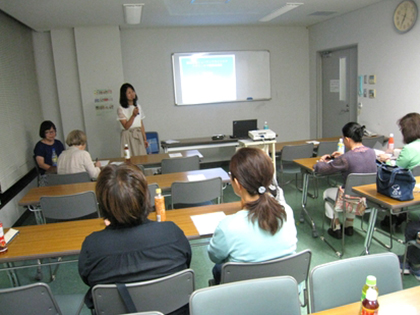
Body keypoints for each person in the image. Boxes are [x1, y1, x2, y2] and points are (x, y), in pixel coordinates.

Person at [78, 164, 191, 313]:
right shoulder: (172, 233)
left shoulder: (92, 246)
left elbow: (87, 279)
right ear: (145, 197)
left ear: (102, 204)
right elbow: (185, 264)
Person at [207, 147, 297, 284]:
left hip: (242, 297)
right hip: (283, 291)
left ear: (237, 184)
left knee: (218, 268)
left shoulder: (228, 227)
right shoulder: (286, 212)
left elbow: (214, 256)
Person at [314, 122, 377, 239]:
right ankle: (349, 226)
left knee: (328, 193)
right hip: (368, 198)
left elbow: (323, 169)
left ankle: (336, 227)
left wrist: (321, 161)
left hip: (351, 199)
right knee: (352, 190)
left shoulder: (346, 158)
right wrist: (342, 156)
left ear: (347, 139)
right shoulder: (372, 152)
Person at [378, 112, 420, 228]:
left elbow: (395, 169)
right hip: (418, 183)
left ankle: (393, 215)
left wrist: (385, 160)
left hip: (409, 187)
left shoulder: (409, 149)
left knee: (386, 178)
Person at [117, 83, 149, 157]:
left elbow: (141, 124)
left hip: (138, 134)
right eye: (129, 92)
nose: (132, 94)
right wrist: (133, 115)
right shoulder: (121, 109)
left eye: (133, 91)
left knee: (141, 157)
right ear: (124, 95)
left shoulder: (138, 106)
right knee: (129, 159)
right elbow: (126, 126)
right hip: (128, 136)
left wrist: (144, 139)